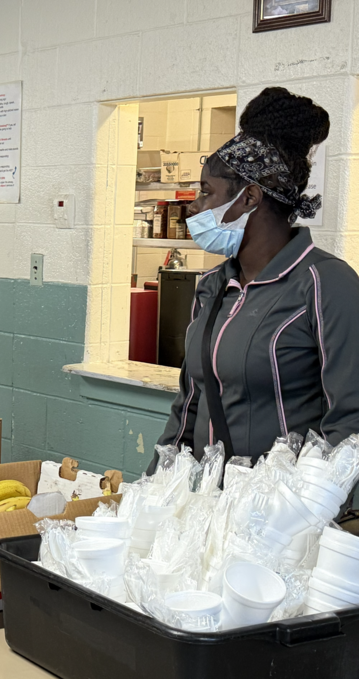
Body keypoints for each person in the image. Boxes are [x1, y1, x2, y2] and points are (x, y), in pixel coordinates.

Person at [154, 87, 359, 468]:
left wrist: (295, 507)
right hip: (208, 507)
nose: (194, 208)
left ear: (249, 198)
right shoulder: (213, 287)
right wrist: (155, 486)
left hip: (283, 517)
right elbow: (189, 404)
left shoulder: (325, 285)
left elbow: (351, 422)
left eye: (205, 192)